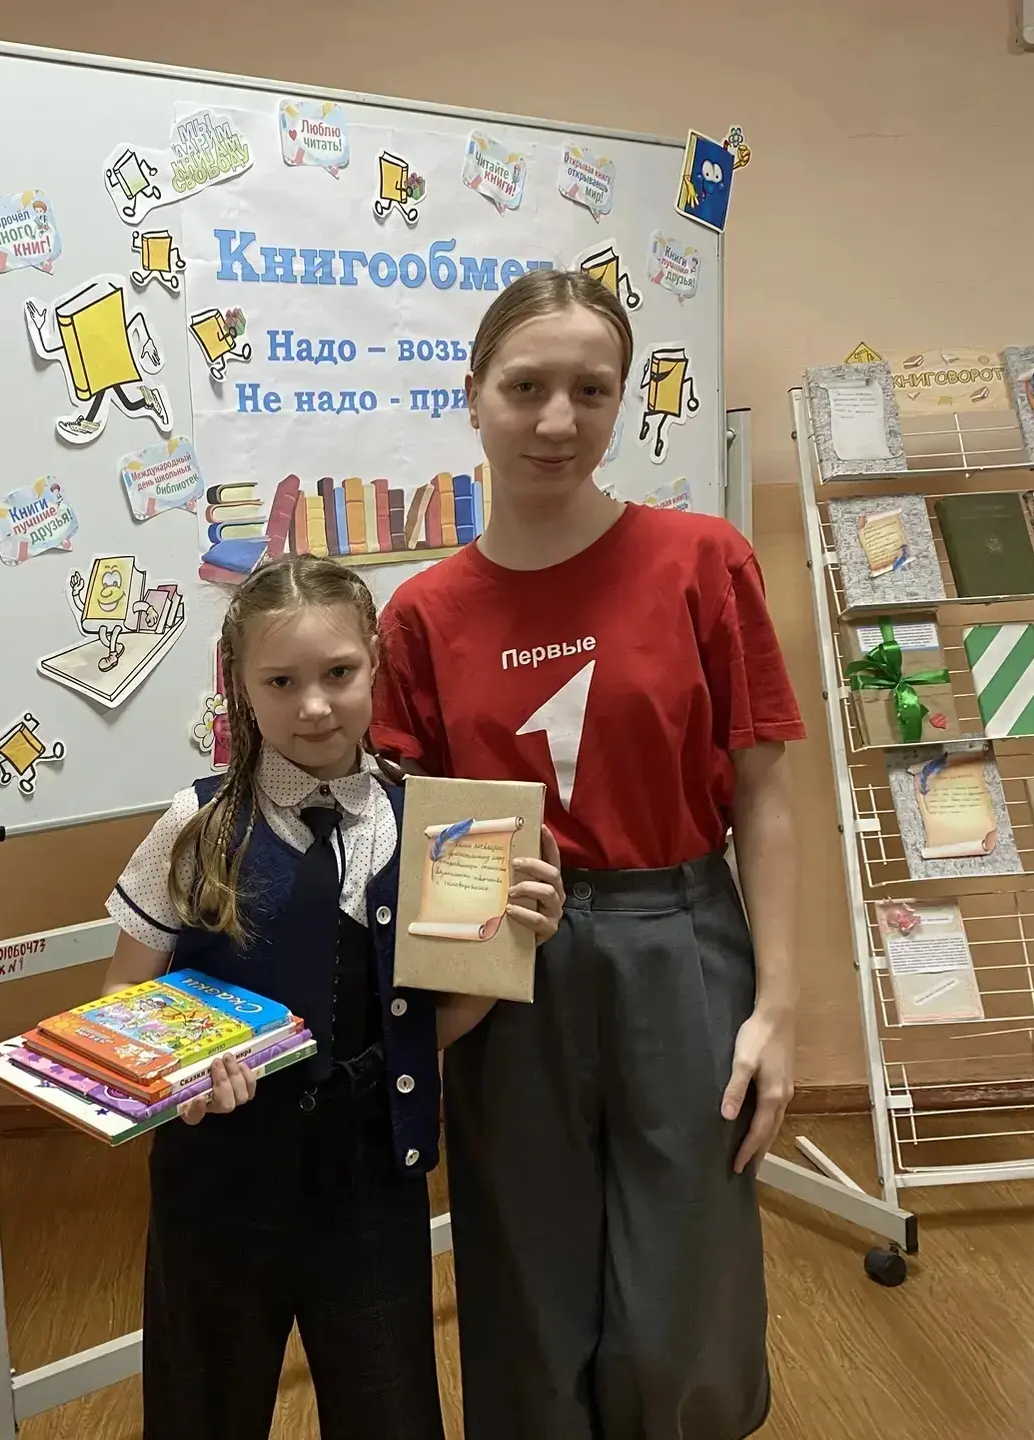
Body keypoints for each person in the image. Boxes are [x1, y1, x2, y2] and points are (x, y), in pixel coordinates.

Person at [371, 268, 804, 1440]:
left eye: (591, 390)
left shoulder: (704, 560)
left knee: (686, 1286)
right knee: (526, 1280)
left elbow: (763, 794)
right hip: (507, 964)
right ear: (473, 394)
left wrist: (778, 1009)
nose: (557, 420)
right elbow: (409, 832)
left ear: (621, 401)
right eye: (526, 387)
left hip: (683, 944)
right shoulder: (420, 616)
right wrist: (441, 1007)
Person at [102, 554, 566, 1440]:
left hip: (370, 1178)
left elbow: (440, 1021)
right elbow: (125, 987)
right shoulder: (195, 825)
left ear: (375, 666)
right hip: (218, 1183)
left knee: (390, 1409)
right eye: (281, 681)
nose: (314, 705)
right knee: (204, 1407)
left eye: (339, 674)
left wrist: (517, 941)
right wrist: (183, 1073)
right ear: (240, 686)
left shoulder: (435, 824)